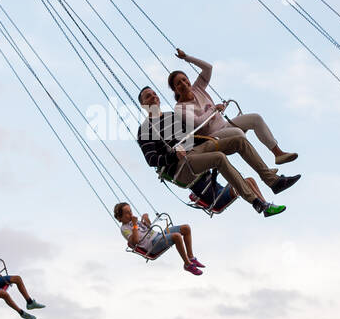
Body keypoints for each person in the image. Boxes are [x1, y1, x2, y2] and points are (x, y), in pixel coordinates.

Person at [136, 87, 288, 217]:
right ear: (143, 105)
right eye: (148, 96)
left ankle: (272, 181)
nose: (153, 97)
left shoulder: (172, 116)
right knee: (219, 158)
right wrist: (173, 155)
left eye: (154, 94)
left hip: (195, 150)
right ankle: (256, 202)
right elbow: (151, 159)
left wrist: (213, 132)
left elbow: (192, 136)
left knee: (238, 141)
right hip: (180, 165)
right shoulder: (145, 130)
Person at [170, 49, 298, 164]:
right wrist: (214, 109)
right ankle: (263, 167)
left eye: (184, 79)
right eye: (178, 83)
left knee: (255, 118)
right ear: (175, 90)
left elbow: (208, 68)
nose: (183, 84)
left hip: (225, 125)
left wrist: (186, 57)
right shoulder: (180, 108)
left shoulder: (197, 88)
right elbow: (198, 123)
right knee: (237, 133)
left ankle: (278, 154)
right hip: (211, 137)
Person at [114, 202, 203, 274]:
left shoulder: (135, 221)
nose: (130, 214)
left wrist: (146, 218)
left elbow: (148, 227)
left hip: (158, 235)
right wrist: (134, 225)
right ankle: (187, 264)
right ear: (120, 217)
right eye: (127, 213)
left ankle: (191, 257)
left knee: (186, 228)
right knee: (177, 236)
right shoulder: (124, 228)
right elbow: (136, 241)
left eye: (130, 211)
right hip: (152, 244)